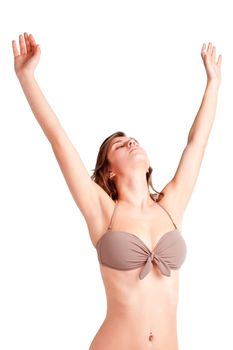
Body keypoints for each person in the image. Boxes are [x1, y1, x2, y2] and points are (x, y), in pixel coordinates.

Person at [12, 33, 222, 350]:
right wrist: (26, 77)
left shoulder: (171, 205)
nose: (130, 142)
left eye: (133, 140)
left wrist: (214, 84)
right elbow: (58, 139)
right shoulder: (104, 212)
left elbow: (198, 143)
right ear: (109, 170)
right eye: (120, 145)